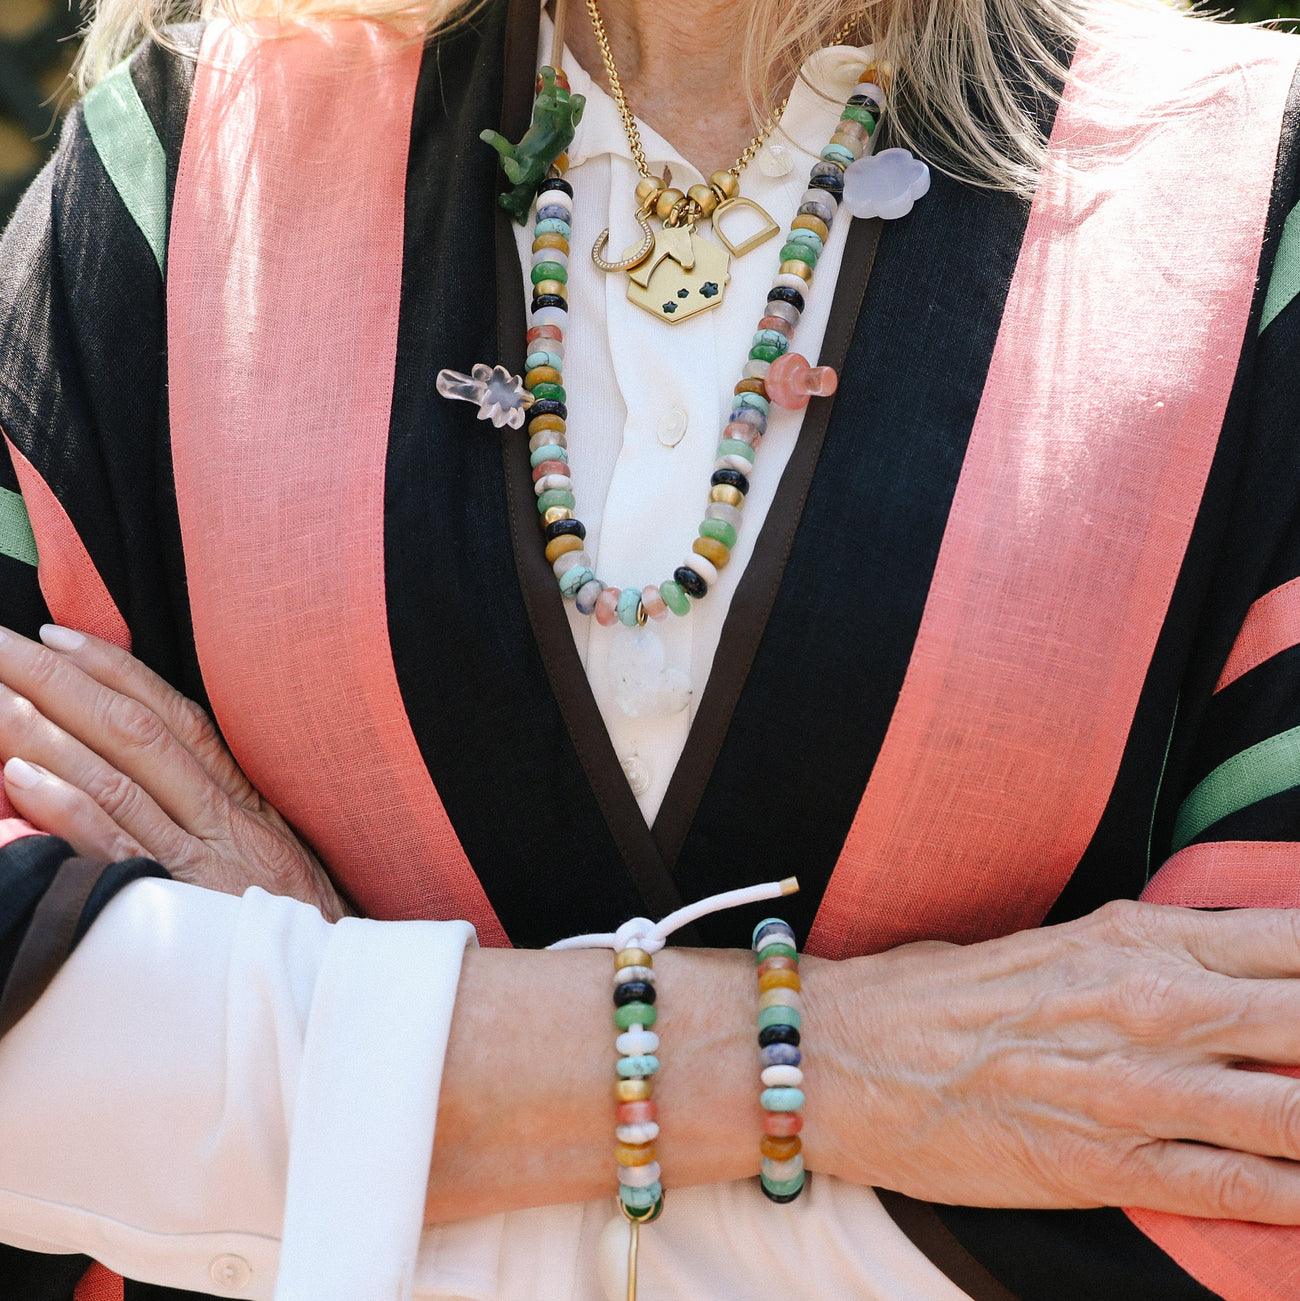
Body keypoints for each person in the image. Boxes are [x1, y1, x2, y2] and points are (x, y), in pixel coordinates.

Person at [0, 0, 1298, 1292]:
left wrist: (320, 1041)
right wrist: (852, 1067)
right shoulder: (186, 160)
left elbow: (1260, 1163)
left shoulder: (1253, 193)